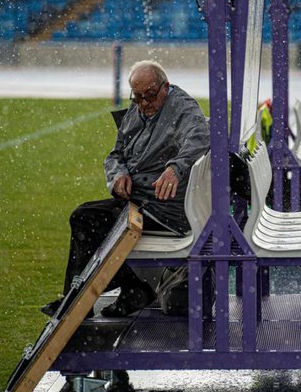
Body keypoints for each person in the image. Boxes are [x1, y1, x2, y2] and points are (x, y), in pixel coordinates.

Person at [43, 61, 210, 319]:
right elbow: (115, 154)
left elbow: (201, 135)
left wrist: (175, 168)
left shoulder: (182, 108)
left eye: (151, 95)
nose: (144, 103)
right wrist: (117, 174)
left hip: (163, 208)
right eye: (138, 97)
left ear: (165, 87)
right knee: (89, 218)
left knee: (86, 219)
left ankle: (79, 301)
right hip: (142, 201)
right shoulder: (137, 111)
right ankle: (120, 292)